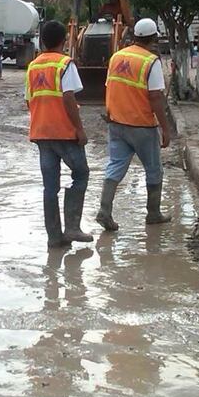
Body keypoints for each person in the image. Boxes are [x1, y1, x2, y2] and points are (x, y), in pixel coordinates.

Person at [96, 18, 172, 231]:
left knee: (115, 166)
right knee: (154, 169)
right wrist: (165, 129)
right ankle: (153, 213)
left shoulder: (116, 57)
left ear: (134, 36)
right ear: (154, 38)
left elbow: (110, 87)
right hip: (141, 125)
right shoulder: (150, 61)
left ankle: (104, 210)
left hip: (116, 122)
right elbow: (155, 97)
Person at [26, 20, 92, 248]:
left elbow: (29, 100)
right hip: (64, 132)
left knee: (50, 187)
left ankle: (55, 237)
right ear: (64, 41)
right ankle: (72, 227)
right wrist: (80, 129)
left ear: (42, 41)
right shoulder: (65, 64)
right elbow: (68, 98)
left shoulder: (33, 66)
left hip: (41, 133)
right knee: (81, 174)